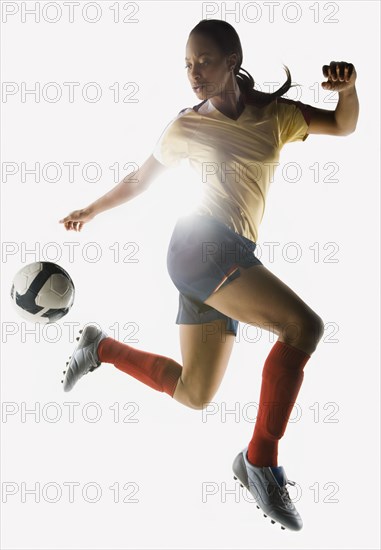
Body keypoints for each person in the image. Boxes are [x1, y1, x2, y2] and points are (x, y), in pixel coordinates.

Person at [58, 19, 358, 531]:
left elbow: (343, 125)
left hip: (225, 259)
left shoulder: (276, 116)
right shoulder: (185, 126)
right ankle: (261, 461)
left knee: (195, 393)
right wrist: (90, 208)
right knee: (303, 327)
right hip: (202, 246)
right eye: (187, 64)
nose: (194, 74)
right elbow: (139, 180)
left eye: (204, 61)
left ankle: (101, 347)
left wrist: (349, 90)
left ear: (232, 61)